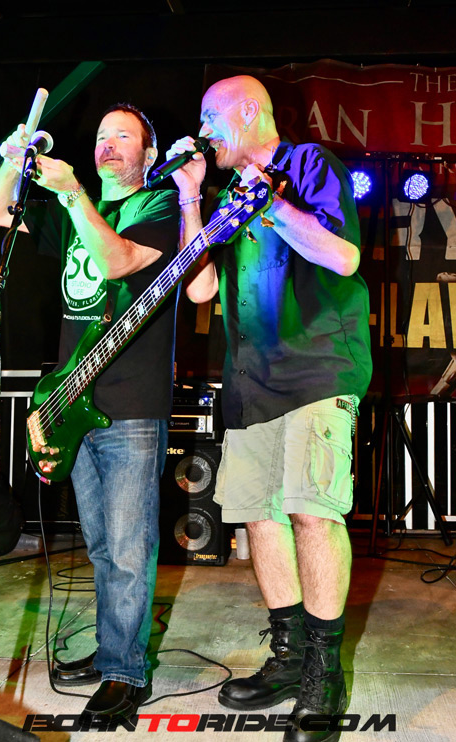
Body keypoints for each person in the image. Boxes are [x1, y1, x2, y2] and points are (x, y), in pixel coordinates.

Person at [167, 75, 372, 742]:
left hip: (316, 369)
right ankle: (287, 655)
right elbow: (199, 287)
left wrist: (272, 204)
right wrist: (192, 196)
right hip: (248, 381)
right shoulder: (226, 193)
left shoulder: (307, 165)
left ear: (249, 111)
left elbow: (342, 256)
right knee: (259, 516)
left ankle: (322, 674)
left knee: (311, 512)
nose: (202, 129)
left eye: (210, 116)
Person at [0, 103, 180, 720]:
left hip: (131, 404)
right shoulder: (73, 213)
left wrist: (72, 194)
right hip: (74, 401)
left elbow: (116, 261)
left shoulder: (161, 209)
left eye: (123, 136)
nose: (107, 145)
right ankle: (112, 649)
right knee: (99, 545)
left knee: (128, 548)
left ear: (149, 154)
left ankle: (125, 673)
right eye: (100, 136)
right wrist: (11, 159)